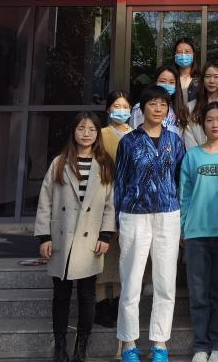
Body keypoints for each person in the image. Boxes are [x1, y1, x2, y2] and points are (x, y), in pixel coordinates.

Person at [35, 112, 116, 362]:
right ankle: (60, 345)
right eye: (81, 128)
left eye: (92, 129)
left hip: (91, 240)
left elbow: (110, 204)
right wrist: (44, 237)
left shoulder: (104, 164)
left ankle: (82, 346)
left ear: (98, 133)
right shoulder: (59, 162)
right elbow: (45, 201)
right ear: (73, 132)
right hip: (62, 237)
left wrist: (105, 235)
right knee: (61, 295)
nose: (86, 134)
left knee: (87, 296)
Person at [114, 85, 187, 362]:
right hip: (134, 214)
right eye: (153, 103)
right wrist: (118, 218)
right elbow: (120, 181)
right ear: (142, 107)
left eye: (163, 104)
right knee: (131, 280)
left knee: (165, 282)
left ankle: (160, 343)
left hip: (168, 214)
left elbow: (180, 179)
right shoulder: (129, 141)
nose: (158, 109)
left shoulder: (175, 141)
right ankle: (129, 343)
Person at [179, 103, 218, 362]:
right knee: (198, 293)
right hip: (196, 233)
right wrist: (182, 227)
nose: (214, 124)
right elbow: (183, 195)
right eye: (209, 120)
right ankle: (200, 346)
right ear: (202, 124)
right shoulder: (191, 156)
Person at [96, 92, 133, 327]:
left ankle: (118, 302)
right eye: (116, 106)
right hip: (105, 197)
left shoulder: (136, 134)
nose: (121, 110)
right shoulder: (100, 134)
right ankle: (100, 303)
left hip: (130, 200)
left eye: (125, 106)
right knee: (103, 253)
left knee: (123, 253)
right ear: (108, 109)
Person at [185, 60, 218, 149]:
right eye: (208, 76)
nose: (211, 81)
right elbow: (188, 135)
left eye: (216, 77)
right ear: (203, 79)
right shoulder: (191, 107)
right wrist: (199, 154)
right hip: (199, 155)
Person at [132, 64, 189, 138]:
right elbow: (135, 135)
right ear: (155, 82)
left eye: (172, 82)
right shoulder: (141, 107)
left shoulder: (180, 109)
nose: (167, 85)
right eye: (162, 81)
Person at [173, 37, 199, 103]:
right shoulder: (170, 79)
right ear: (175, 55)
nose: (183, 55)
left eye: (187, 52)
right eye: (179, 52)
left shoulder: (200, 79)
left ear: (193, 54)